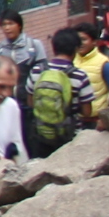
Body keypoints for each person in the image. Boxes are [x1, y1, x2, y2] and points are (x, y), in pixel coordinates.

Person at [21, 25, 99, 156]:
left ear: (54, 47)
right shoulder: (80, 76)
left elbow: (30, 102)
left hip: (40, 133)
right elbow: (87, 112)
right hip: (69, 136)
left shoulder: (37, 71)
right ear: (75, 49)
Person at [0, 10, 46, 98]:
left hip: (29, 100)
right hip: (6, 99)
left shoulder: (35, 45)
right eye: (4, 24)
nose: (7, 28)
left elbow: (43, 72)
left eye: (10, 24)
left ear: (19, 25)